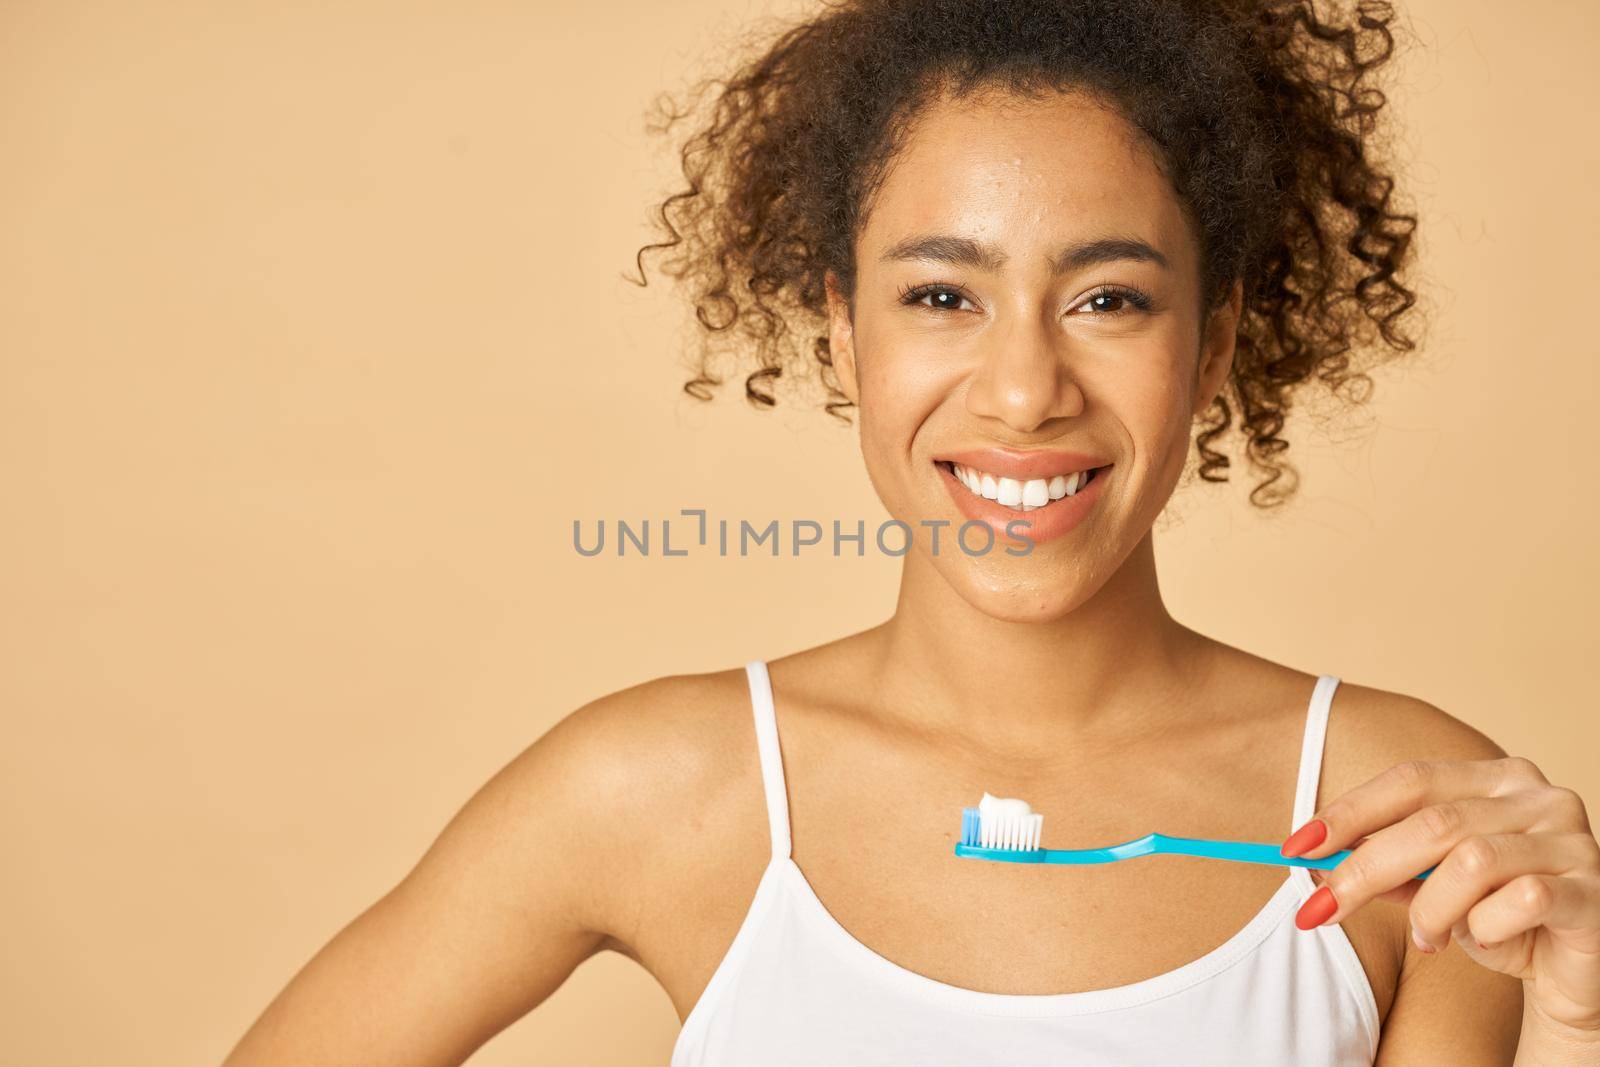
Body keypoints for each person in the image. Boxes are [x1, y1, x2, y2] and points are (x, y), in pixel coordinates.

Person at [222, 0, 1600, 1063]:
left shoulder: (1399, 821)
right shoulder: (661, 791)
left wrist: (1583, 1018)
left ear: (1218, 335)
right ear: (842, 328)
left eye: (1108, 299)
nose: (1022, 389)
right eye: (942, 297)